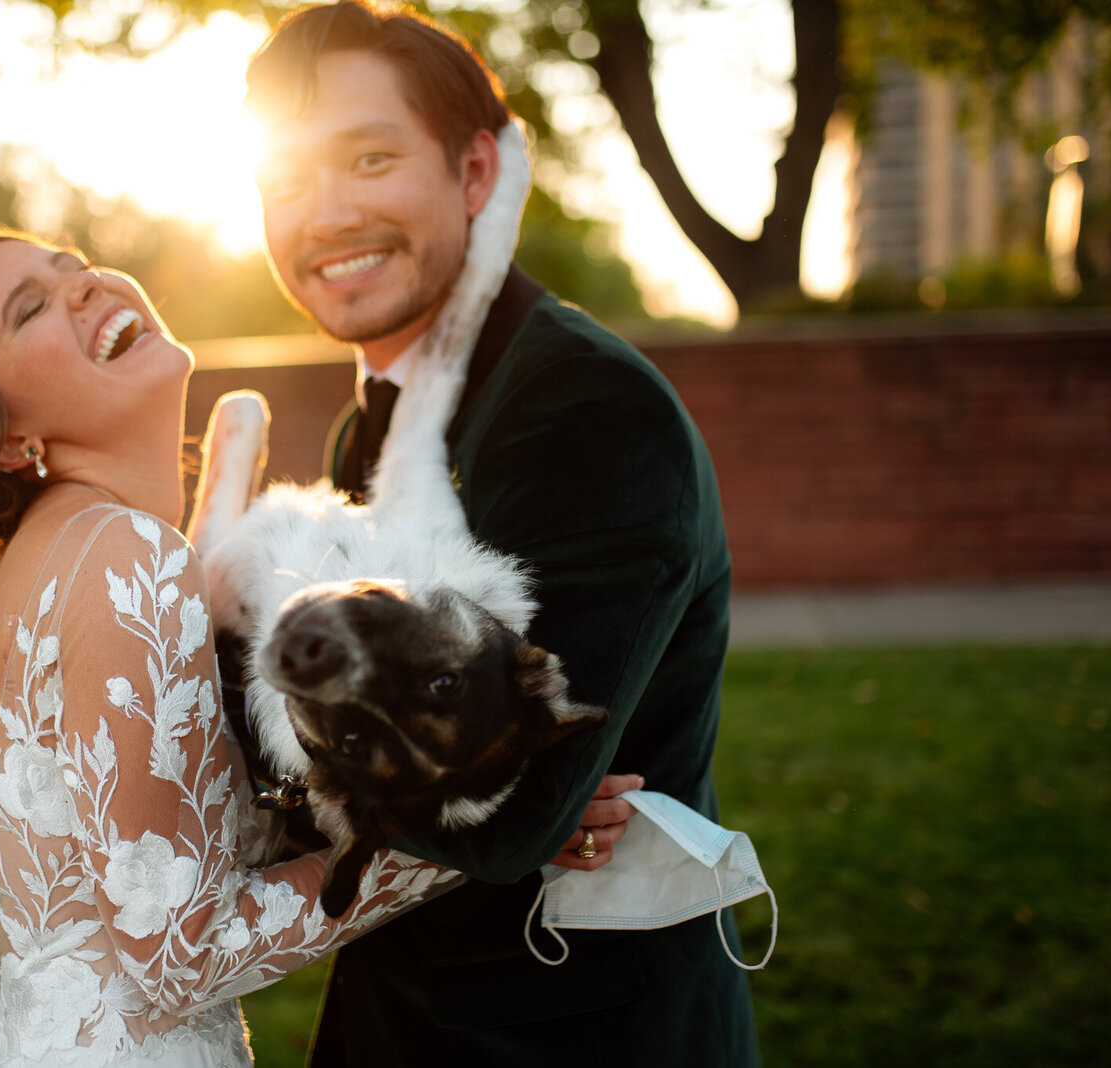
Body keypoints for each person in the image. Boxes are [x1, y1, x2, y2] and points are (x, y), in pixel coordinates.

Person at [0, 228, 638, 1066]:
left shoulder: (66, 557)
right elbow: (180, 956)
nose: (84, 288)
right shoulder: (124, 556)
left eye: (74, 267)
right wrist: (486, 832)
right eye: (32, 309)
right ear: (7, 443)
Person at [244, 2, 761, 1064]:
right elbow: (432, 770)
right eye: (285, 180)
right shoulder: (365, 426)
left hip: (572, 1032)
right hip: (396, 1016)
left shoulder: (586, 409)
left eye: (370, 158)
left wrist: (265, 703)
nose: (325, 213)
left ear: (476, 174)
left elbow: (514, 801)